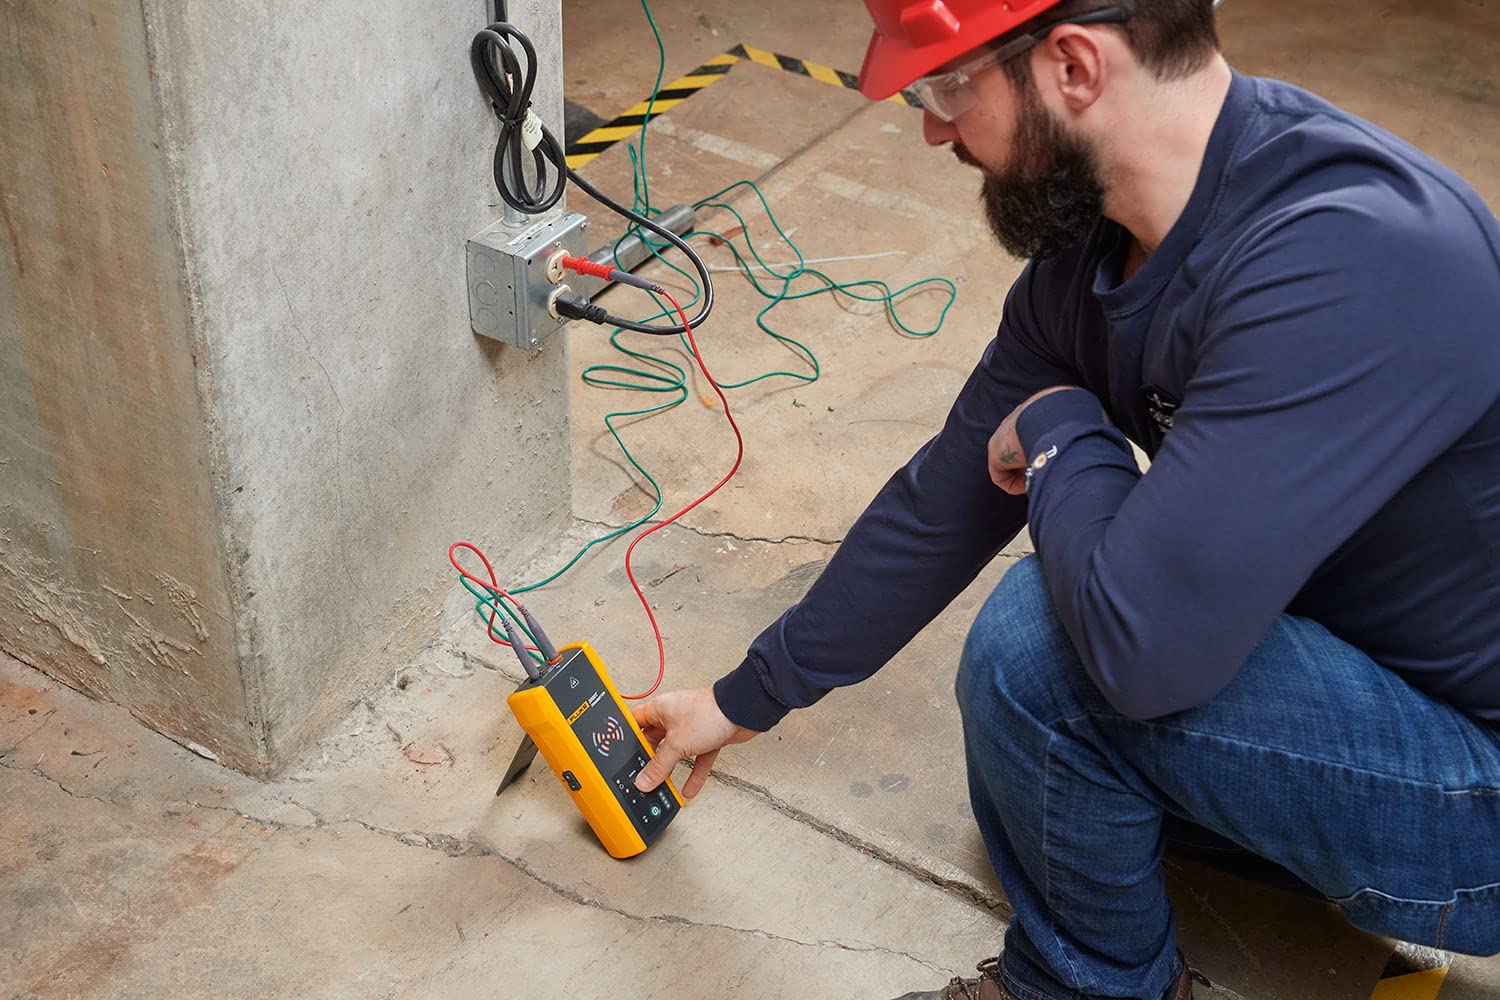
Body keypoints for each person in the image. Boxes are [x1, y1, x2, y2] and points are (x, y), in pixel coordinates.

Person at [631, 1, 1500, 997]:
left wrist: (1060, 428)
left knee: (1042, 661)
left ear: (1075, 66)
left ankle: (1081, 986)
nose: (934, 129)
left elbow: (1143, 651)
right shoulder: (1104, 248)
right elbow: (946, 497)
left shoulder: (1353, 255)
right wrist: (746, 696)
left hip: (1479, 782)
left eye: (947, 87)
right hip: (1373, 684)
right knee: (1045, 770)